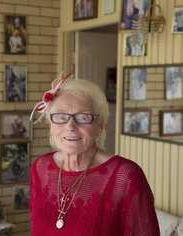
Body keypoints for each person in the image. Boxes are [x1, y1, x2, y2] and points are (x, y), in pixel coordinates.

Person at [29, 72, 159, 235]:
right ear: (50, 124)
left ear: (100, 126)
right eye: (61, 117)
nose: (70, 126)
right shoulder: (40, 168)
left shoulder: (126, 176)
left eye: (83, 117)